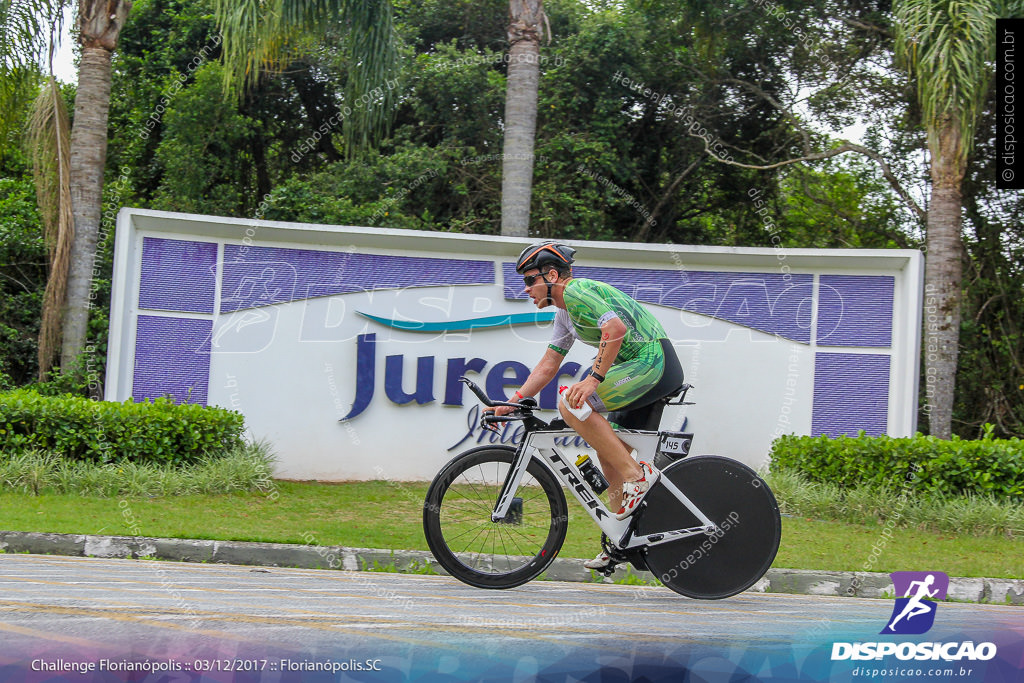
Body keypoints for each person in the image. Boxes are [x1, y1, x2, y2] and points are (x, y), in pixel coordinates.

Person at [492, 240, 684, 570]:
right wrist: (512, 402)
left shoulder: (578, 290)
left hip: (653, 361)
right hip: (637, 368)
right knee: (609, 455)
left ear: (552, 275)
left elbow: (615, 328)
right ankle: (621, 540)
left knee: (571, 402)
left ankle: (636, 476)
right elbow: (547, 366)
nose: (526, 290)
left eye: (529, 280)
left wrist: (593, 378)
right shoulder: (565, 315)